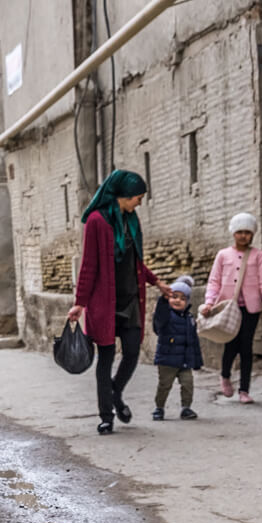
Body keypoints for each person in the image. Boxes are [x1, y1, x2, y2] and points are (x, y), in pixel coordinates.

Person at [68, 170, 171, 435]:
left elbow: (135, 262)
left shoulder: (131, 220)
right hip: (104, 303)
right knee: (105, 358)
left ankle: (114, 393)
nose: (140, 202)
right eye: (137, 197)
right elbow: (89, 265)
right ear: (123, 195)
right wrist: (80, 303)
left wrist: (156, 281)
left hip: (130, 301)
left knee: (133, 351)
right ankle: (106, 416)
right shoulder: (96, 222)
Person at [200, 213, 262, 404]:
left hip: (250, 310)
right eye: (240, 232)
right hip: (228, 307)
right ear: (233, 233)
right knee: (230, 345)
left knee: (246, 348)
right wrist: (209, 302)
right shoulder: (223, 255)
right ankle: (225, 375)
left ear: (252, 235)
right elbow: (214, 280)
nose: (243, 236)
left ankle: (244, 390)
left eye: (247, 233)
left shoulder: (258, 256)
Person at [151, 276, 204, 420]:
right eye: (174, 297)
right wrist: (162, 299)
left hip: (184, 361)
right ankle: (159, 408)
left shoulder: (189, 318)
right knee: (164, 386)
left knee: (188, 384)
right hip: (167, 360)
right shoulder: (165, 316)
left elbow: (193, 342)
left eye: (182, 298)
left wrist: (197, 361)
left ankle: (186, 408)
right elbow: (159, 317)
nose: (177, 300)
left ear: (187, 302)